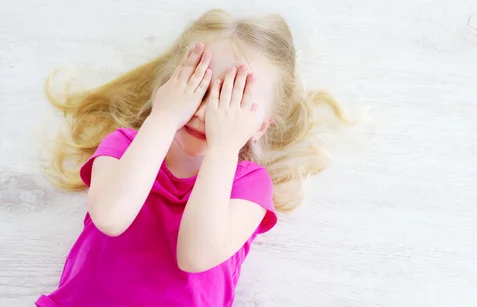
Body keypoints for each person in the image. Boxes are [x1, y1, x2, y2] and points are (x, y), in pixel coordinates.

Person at [36, 8, 351, 307]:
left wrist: (224, 148)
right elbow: (110, 217)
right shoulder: (124, 146)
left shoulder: (248, 185)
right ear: (171, 86)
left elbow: (195, 255)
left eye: (229, 102)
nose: (203, 113)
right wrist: (162, 118)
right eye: (198, 89)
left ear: (261, 127)